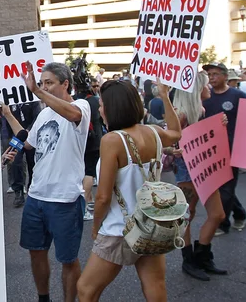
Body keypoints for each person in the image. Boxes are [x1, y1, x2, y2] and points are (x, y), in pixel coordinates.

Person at [77, 79, 182, 302]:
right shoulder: (153, 132)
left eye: (103, 105)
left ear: (113, 108)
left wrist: (96, 227)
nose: (100, 110)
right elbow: (175, 132)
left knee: (86, 289)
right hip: (152, 222)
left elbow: (103, 196)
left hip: (119, 229)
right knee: (154, 285)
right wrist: (164, 95)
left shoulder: (113, 140)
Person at [0, 62, 90, 302]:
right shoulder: (44, 113)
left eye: (49, 82)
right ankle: (43, 298)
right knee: (36, 253)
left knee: (68, 259)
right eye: (41, 83)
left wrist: (37, 92)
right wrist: (8, 115)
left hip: (65, 199)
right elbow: (28, 142)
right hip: (36, 196)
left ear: (65, 84)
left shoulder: (80, 106)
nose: (44, 87)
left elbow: (74, 115)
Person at [171, 70, 227, 281]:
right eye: (205, 85)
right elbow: (168, 138)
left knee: (218, 214)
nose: (209, 87)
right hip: (186, 168)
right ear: (195, 90)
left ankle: (202, 255)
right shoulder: (181, 115)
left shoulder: (201, 110)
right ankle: (189, 260)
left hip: (204, 166)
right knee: (187, 213)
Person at [202, 62, 246, 235]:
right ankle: (239, 213)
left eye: (215, 74)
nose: (212, 78)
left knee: (226, 187)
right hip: (210, 149)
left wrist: (244, 151)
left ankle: (222, 224)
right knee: (218, 187)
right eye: (209, 75)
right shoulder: (205, 96)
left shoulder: (238, 95)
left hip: (231, 149)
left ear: (225, 76)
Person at [81, 83, 104, 221]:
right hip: (95, 140)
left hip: (83, 140)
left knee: (85, 172)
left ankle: (89, 201)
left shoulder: (77, 101)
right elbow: (100, 119)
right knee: (90, 173)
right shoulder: (94, 101)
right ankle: (84, 206)